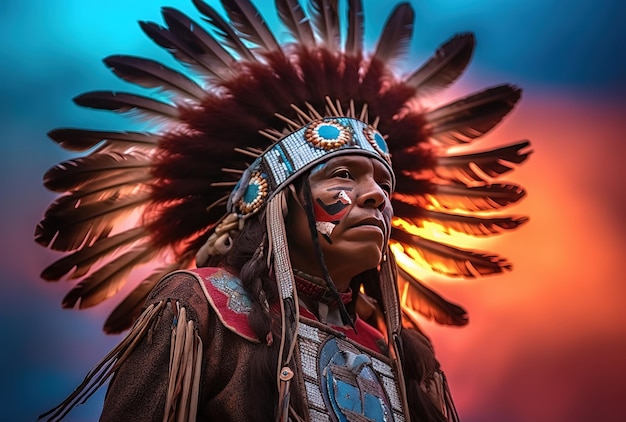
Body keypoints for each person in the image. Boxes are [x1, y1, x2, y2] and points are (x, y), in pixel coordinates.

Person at [37, 0, 531, 421]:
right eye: (343, 176)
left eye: (384, 183)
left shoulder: (396, 357)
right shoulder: (204, 308)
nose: (377, 196)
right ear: (271, 204)